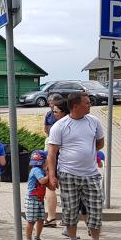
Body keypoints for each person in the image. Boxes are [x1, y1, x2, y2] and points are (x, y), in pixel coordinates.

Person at [45, 92, 109, 240]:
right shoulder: (60, 126)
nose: (90, 105)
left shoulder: (94, 122)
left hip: (91, 174)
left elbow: (100, 143)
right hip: (68, 174)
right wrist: (52, 176)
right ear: (75, 106)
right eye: (87, 103)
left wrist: (86, 153)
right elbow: (51, 153)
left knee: (96, 209)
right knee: (70, 210)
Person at [42, 93, 67, 227]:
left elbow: (47, 131)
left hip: (56, 155)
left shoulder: (58, 125)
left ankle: (52, 217)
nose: (52, 111)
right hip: (62, 157)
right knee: (67, 189)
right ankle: (66, 219)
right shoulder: (71, 122)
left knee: (51, 187)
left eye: (55, 109)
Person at [24, 149, 47, 240]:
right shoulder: (36, 170)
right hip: (32, 199)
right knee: (31, 221)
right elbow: (42, 181)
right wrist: (50, 176)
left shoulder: (41, 170)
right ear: (43, 161)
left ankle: (37, 238)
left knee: (41, 219)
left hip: (39, 199)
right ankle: (28, 239)